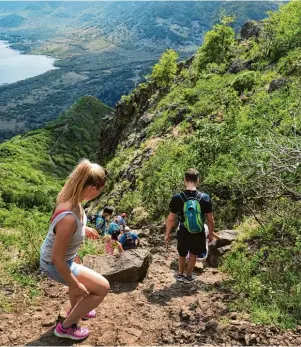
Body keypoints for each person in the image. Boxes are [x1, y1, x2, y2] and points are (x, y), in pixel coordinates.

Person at [40, 159, 110, 340]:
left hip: (64, 258)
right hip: (55, 263)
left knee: (79, 268)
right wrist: (75, 284)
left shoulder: (73, 197)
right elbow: (57, 258)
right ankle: (66, 327)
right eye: (100, 190)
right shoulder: (68, 219)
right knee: (103, 288)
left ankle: (77, 309)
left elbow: (68, 228)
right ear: (92, 188)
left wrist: (83, 228)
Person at [165, 168, 214, 284]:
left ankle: (180, 275)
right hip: (199, 230)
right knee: (194, 253)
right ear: (198, 180)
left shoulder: (178, 197)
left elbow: (171, 218)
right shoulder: (205, 198)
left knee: (182, 253)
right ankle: (189, 276)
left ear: (184, 180)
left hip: (183, 230)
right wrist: (210, 234)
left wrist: (167, 233)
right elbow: (210, 219)